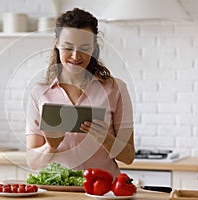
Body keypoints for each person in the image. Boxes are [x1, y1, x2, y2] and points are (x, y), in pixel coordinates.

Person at [25, 8, 135, 178]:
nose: (76, 56)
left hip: (103, 190)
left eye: (84, 48)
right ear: (57, 43)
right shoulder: (39, 94)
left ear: (93, 47)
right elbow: (32, 162)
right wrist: (50, 146)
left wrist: (106, 138)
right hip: (59, 191)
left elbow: (128, 157)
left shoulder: (116, 89)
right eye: (68, 47)